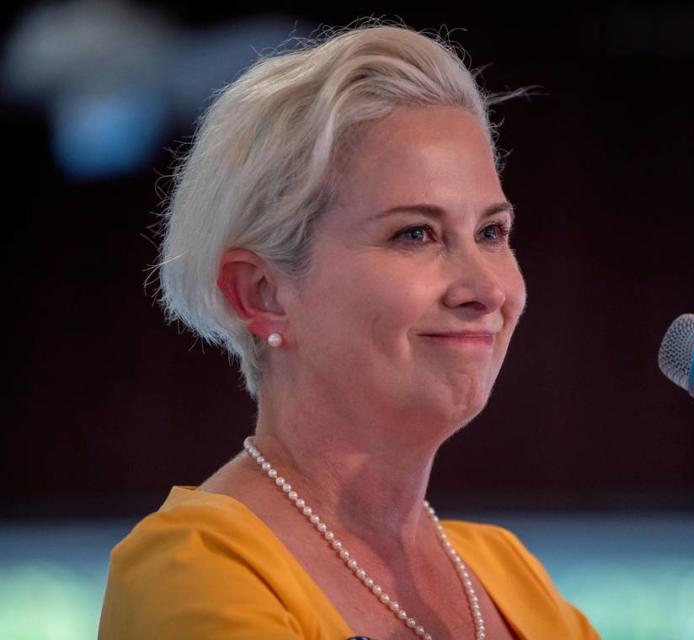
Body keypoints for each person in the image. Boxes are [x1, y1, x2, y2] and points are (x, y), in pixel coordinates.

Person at [99, 22, 600, 640]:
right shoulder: (197, 568)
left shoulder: (507, 573)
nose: (488, 290)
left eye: (492, 233)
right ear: (262, 294)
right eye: (416, 233)